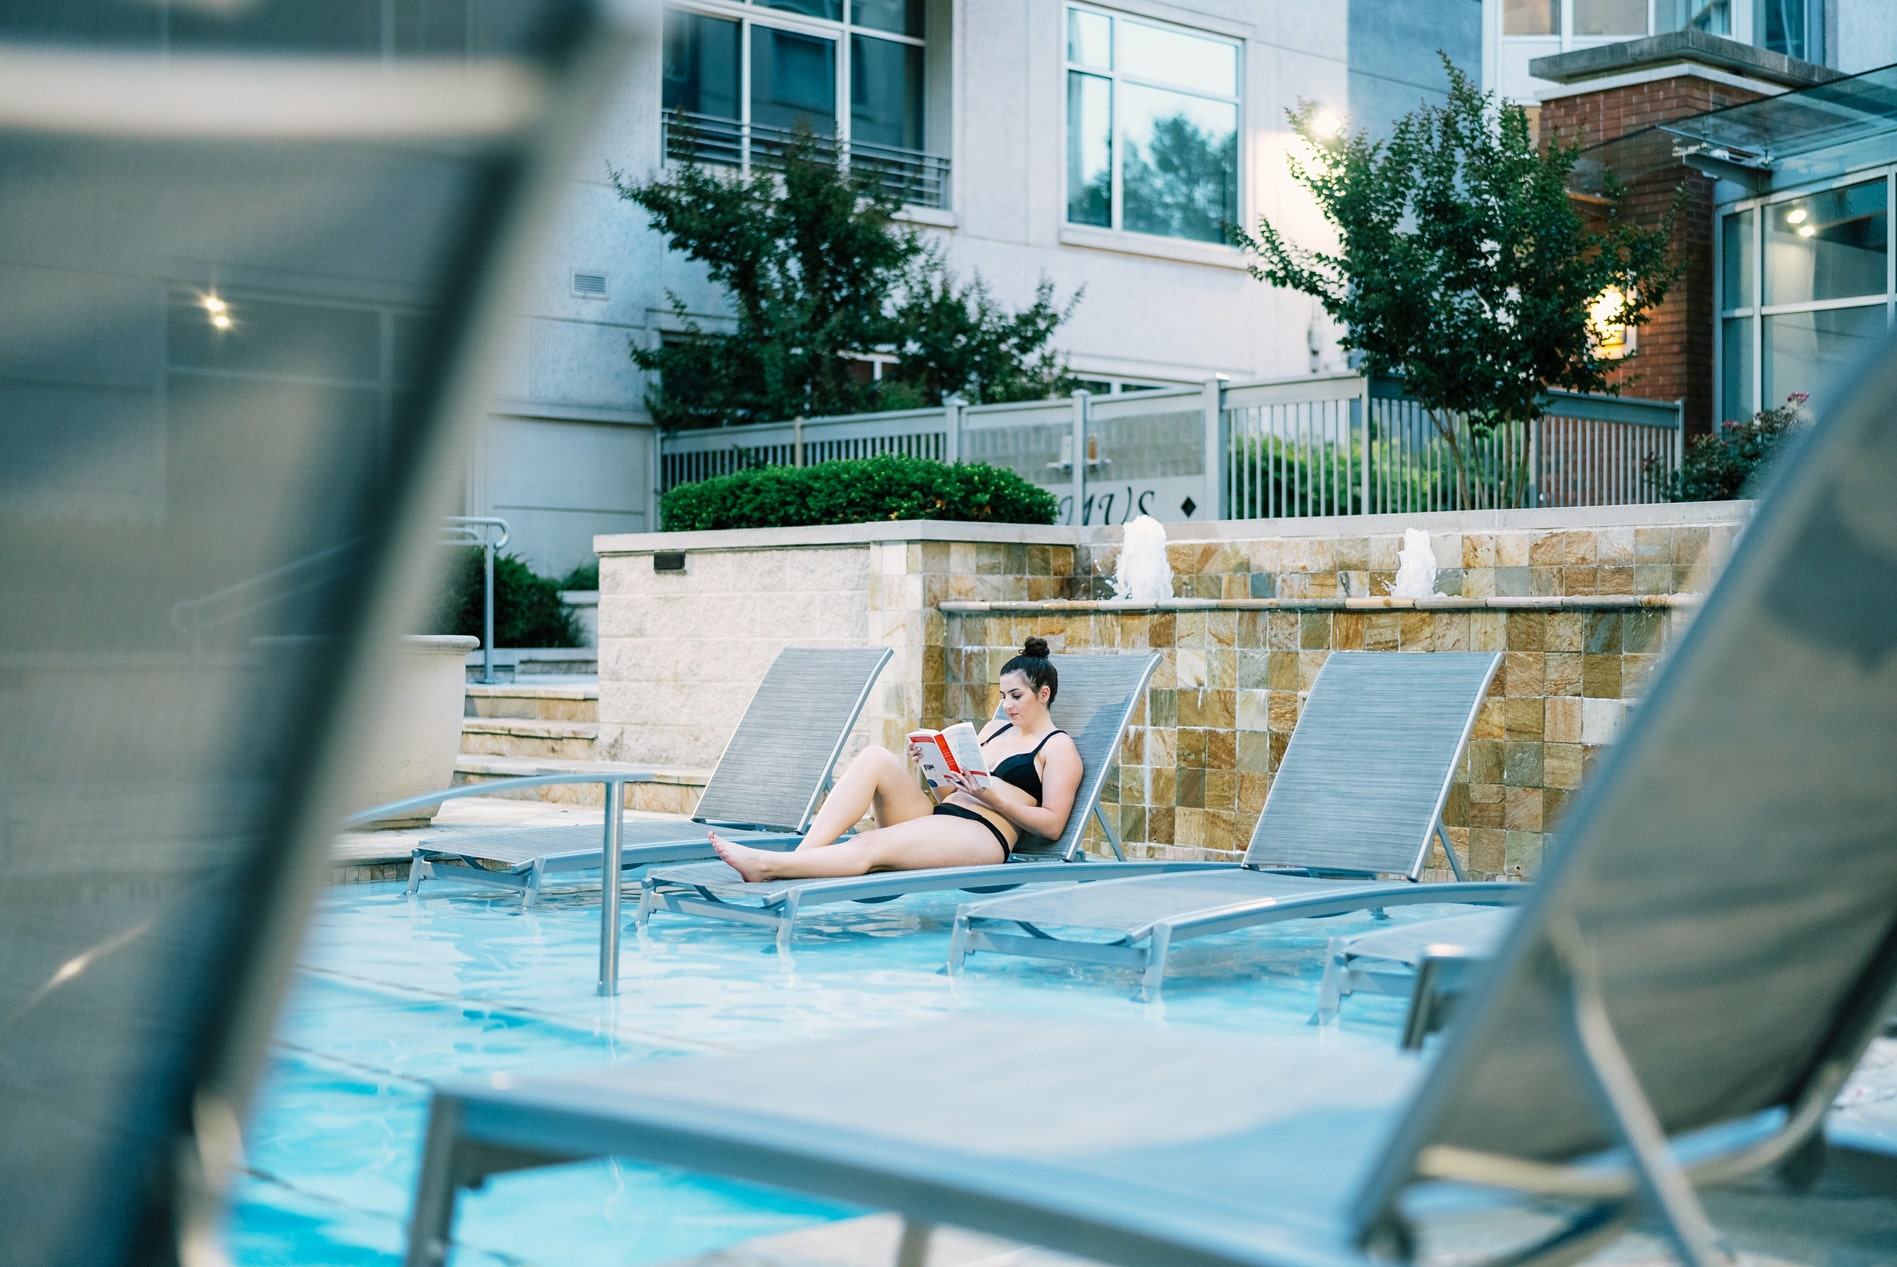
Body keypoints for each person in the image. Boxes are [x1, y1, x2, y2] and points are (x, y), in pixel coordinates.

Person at [709, 637, 1082, 882]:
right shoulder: (993, 730)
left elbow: (1051, 826)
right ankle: (802, 858)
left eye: (1015, 696)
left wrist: (993, 799)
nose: (1006, 705)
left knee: (868, 845)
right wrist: (935, 768)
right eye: (1002, 695)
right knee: (875, 758)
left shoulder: (1057, 747)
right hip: (945, 819)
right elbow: (949, 798)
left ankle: (769, 867)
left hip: (984, 836)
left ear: (1043, 693)